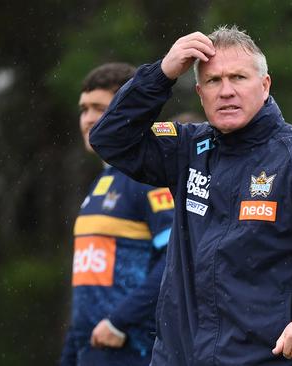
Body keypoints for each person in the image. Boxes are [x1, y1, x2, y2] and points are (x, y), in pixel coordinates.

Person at [89, 26, 292, 365]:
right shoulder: (188, 148)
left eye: (238, 78)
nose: (226, 91)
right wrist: (162, 74)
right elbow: (109, 138)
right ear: (199, 92)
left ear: (265, 85)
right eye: (213, 81)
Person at [59, 63, 175, 366]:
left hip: (132, 348)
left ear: (126, 107)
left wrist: (119, 322)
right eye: (83, 109)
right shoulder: (102, 181)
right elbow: (90, 287)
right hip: (93, 348)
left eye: (98, 108)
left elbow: (174, 258)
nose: (88, 119)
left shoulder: (147, 178)